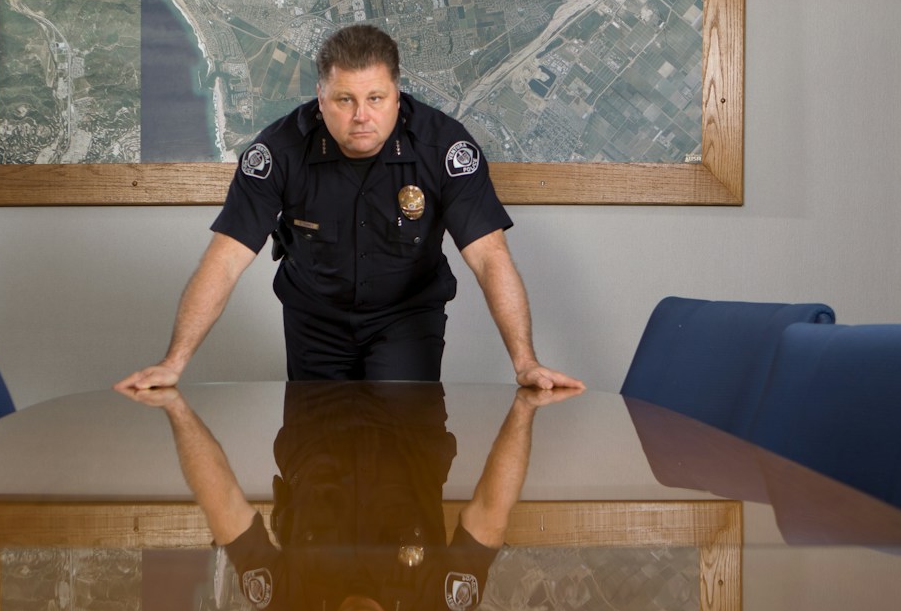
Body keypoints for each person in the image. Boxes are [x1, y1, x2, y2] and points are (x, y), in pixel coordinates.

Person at [116, 24, 582, 390]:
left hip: (406, 317)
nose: (362, 115)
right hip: (314, 320)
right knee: (314, 462)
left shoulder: (443, 146)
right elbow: (225, 260)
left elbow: (489, 257)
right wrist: (174, 362)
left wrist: (525, 362)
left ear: (397, 96)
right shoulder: (279, 150)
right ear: (321, 99)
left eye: (376, 98)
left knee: (406, 451)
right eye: (345, 100)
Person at [125, 380, 579, 611]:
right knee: (398, 277)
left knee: (319, 274)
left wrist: (175, 407)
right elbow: (490, 512)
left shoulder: (285, 603)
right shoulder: (439, 610)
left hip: (316, 406)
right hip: (407, 409)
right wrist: (524, 408)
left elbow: (224, 505)